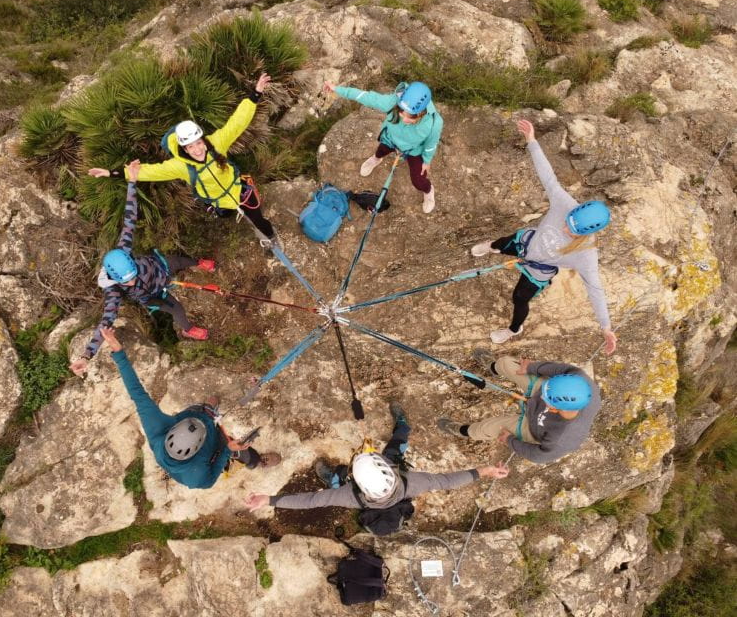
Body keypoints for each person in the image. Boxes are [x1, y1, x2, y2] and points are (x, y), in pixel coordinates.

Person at [471, 119, 617, 353]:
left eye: (573, 232)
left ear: (588, 233)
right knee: (499, 244)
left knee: (519, 298)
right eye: (568, 223)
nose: (566, 230)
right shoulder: (564, 203)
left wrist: (606, 327)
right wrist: (532, 141)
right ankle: (490, 247)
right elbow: (548, 177)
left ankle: (513, 330)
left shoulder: (586, 254)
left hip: (539, 268)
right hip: (526, 242)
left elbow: (595, 290)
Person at [244, 403, 507, 531]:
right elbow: (448, 481)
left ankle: (333, 477)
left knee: (336, 479)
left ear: (358, 485)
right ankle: (403, 425)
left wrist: (270, 499)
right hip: (390, 483)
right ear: (389, 471)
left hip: (355, 488)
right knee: (397, 442)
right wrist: (486, 471)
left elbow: (311, 501)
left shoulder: (348, 495)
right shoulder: (412, 483)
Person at [88, 73, 280, 249]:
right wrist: (111, 172)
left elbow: (237, 122)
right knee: (224, 214)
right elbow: (150, 171)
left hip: (239, 191)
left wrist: (255, 94)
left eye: (198, 143)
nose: (197, 150)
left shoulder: (217, 143)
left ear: (203, 140)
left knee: (257, 219)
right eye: (190, 147)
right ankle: (228, 213)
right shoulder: (181, 166)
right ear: (184, 148)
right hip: (218, 200)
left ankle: (270, 238)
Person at [69, 162, 212, 377]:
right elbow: (105, 323)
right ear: (116, 280)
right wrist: (85, 356)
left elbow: (130, 218)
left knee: (182, 261)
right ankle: (187, 330)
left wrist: (132, 182)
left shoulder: (123, 250)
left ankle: (199, 262)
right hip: (153, 295)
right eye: (127, 281)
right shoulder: (113, 292)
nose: (132, 281)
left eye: (133, 274)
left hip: (160, 266)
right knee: (177, 309)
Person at [100, 326, 281, 489]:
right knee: (246, 456)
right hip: (214, 447)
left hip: (198, 418)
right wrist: (228, 450)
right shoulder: (199, 476)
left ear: (172, 429)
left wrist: (118, 351)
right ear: (198, 446)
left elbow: (137, 393)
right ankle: (256, 462)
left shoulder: (156, 429)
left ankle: (210, 411)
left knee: (211, 402)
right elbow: (211, 478)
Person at [437, 352, 601, 465]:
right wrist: (532, 368)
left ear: (557, 408)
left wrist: (510, 440)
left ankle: (460, 430)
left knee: (484, 429)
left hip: (533, 427)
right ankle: (494, 367)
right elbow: (565, 370)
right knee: (506, 364)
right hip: (546, 402)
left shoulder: (562, 440)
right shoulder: (580, 383)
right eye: (545, 392)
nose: (541, 397)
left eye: (546, 399)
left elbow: (538, 456)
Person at [322, 80, 443, 214]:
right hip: (390, 139)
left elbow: (431, 144)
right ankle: (376, 159)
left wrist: (426, 161)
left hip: (413, 150)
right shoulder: (394, 102)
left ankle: (428, 190)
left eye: (410, 118)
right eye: (402, 113)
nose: (404, 119)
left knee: (418, 181)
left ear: (421, 114)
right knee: (380, 151)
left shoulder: (433, 124)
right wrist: (337, 89)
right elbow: (366, 97)